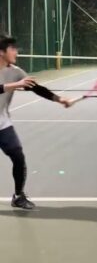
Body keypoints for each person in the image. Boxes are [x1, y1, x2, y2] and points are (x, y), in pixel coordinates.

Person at [0, 34, 72, 209]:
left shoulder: (16, 72)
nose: (16, 52)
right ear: (1, 52)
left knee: (18, 156)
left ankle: (18, 196)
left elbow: (37, 88)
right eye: (12, 49)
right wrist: (15, 85)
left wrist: (59, 99)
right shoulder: (16, 78)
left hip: (2, 123)